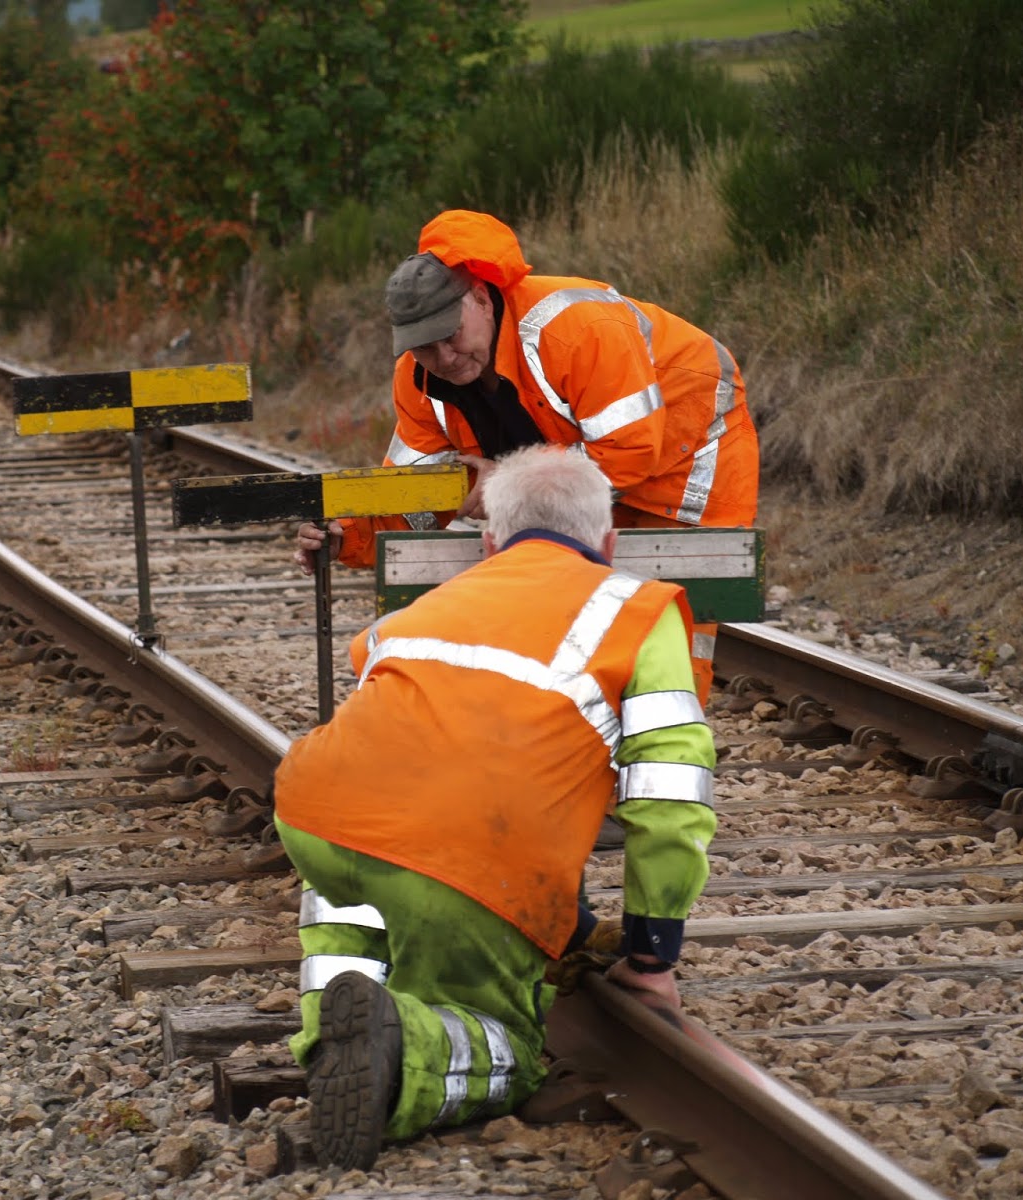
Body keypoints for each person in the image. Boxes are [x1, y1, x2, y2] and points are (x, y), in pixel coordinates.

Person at [274, 443, 717, 1170]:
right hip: (461, 859)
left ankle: (330, 1033)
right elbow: (668, 799)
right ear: (608, 543)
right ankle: (404, 1053)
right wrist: (651, 952)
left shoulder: (427, 608)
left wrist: (573, 927)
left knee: (361, 881)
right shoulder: (637, 612)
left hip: (317, 816)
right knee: (509, 1044)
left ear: (488, 542)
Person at [294, 209, 759, 709]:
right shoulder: (418, 382)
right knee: (564, 628)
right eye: (425, 348)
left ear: (480, 298)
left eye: (451, 335)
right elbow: (416, 492)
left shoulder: (575, 329)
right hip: (571, 482)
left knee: (665, 628)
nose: (445, 359)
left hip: (684, 462)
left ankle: (662, 746)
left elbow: (628, 453)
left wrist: (507, 485)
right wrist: (348, 534)